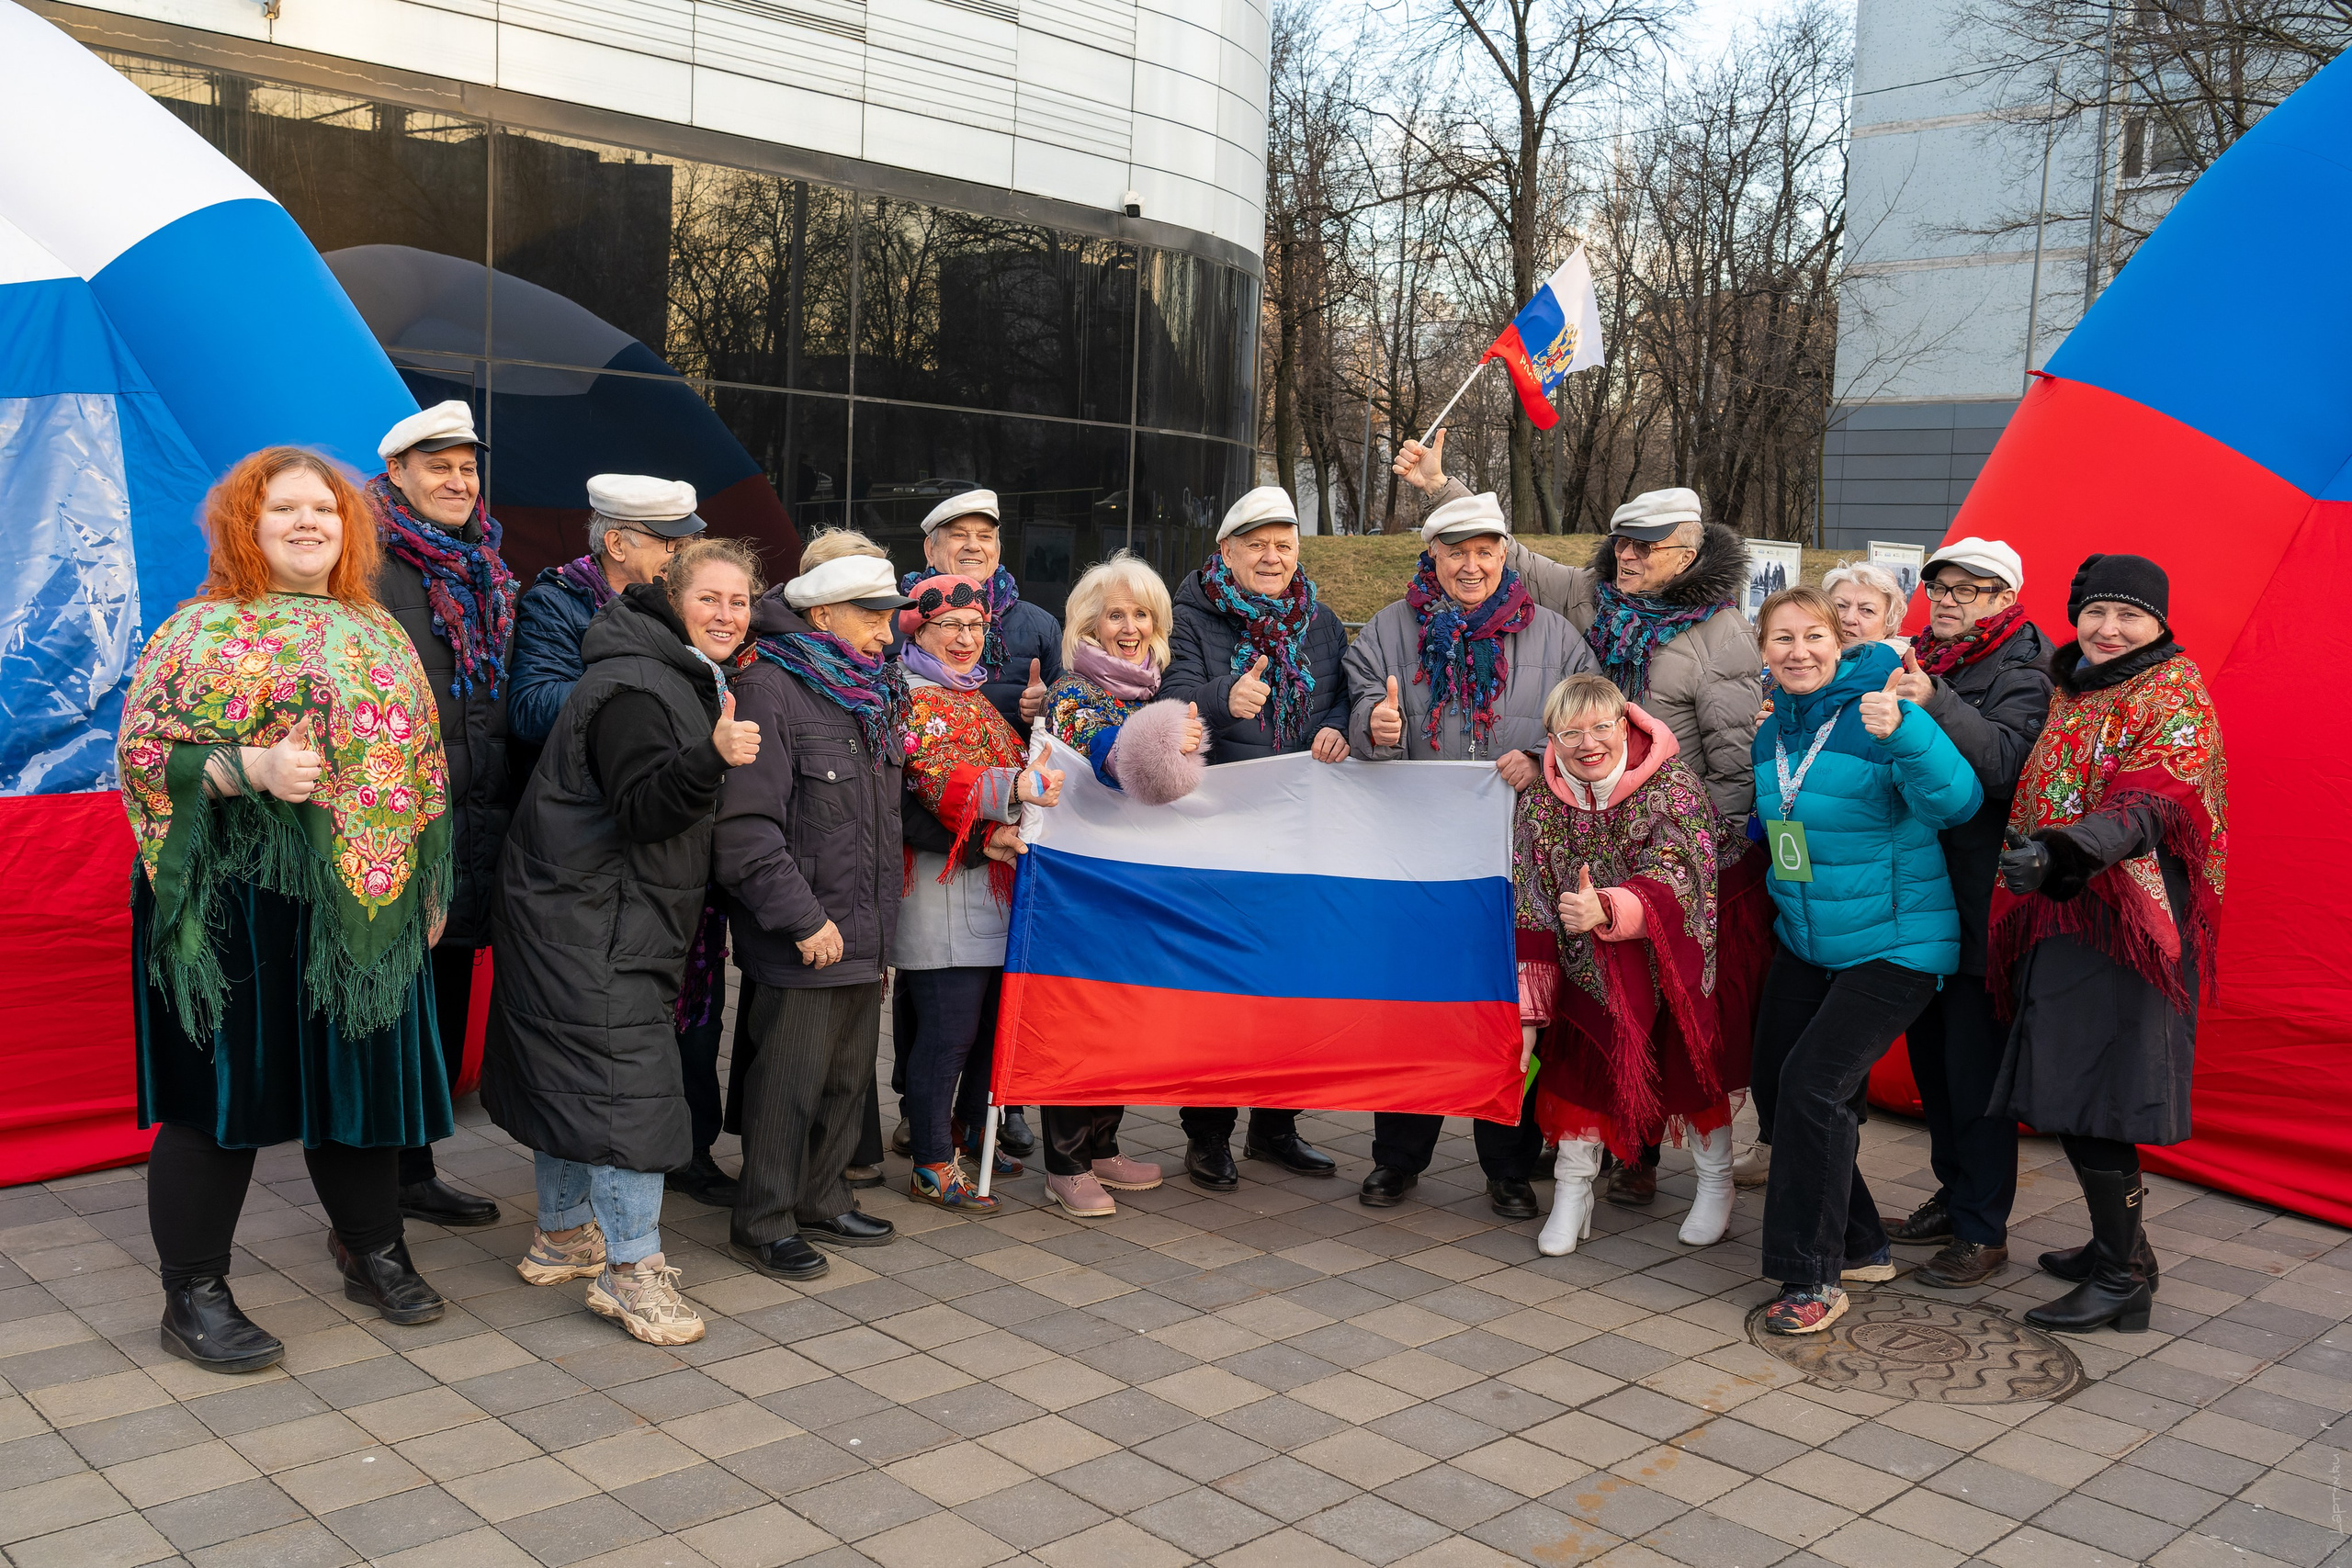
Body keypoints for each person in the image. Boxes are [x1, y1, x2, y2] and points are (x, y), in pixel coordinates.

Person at [119, 447, 453, 1374]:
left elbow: (422, 764)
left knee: (359, 1078)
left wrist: (423, 886)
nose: (309, 522)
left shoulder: (376, 629)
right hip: (233, 900)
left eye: (325, 508)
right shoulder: (198, 630)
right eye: (284, 508)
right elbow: (141, 757)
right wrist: (249, 768)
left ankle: (372, 1248)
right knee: (218, 1096)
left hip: (360, 899)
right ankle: (193, 1293)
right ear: (246, 526)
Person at [1394, 436, 1763, 1208]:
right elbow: (1513, 558)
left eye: (1646, 546)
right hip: (1587, 835)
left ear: (1689, 551)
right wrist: (1440, 485)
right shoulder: (1596, 596)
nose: (1627, 556)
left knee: (1661, 1003)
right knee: (1598, 997)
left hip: (1667, 843)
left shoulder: (1722, 633)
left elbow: (1733, 759)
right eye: (1622, 542)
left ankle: (1646, 1154)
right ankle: (1598, 1134)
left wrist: (1711, 858)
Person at [483, 537, 763, 1345]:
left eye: (740, 600)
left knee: (576, 1074)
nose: (726, 614)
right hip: (592, 920)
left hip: (582, 911)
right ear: (670, 597)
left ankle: (564, 1234)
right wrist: (710, 758)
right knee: (627, 1087)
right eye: (709, 598)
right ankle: (631, 1270)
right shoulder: (639, 686)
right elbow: (644, 806)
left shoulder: (665, 670)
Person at [1344, 488, 1598, 1220]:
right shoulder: (1389, 629)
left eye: (1486, 551)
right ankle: (1398, 1157)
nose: (1472, 565)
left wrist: (1541, 753)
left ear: (1504, 555)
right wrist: (1375, 726)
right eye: (1456, 552)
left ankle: (1509, 1166)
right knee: (1417, 1008)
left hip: (1520, 866)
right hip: (1421, 864)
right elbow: (1357, 705)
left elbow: (1590, 723)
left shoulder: (1554, 636)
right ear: (1433, 555)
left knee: (1514, 1011)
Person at [1991, 554, 2224, 1335]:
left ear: (2159, 621)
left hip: (2127, 925)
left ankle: (2122, 1280)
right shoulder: (2076, 687)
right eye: (2096, 611)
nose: (2110, 628)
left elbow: (2147, 805)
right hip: (2068, 915)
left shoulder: (2173, 693)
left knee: (2100, 1093)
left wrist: (2061, 851)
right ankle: (2122, 1250)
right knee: (2075, 1085)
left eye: (2129, 614)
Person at [1746, 587, 1981, 1334]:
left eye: (1813, 635)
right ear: (1763, 651)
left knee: (1814, 1085)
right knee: (1775, 1086)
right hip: (1809, 939)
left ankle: (1811, 1275)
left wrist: (1909, 732)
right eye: (1782, 638)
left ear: (1837, 642)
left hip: (1896, 942)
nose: (1799, 652)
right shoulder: (1771, 729)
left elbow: (1957, 803)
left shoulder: (1882, 709)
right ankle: (1861, 1243)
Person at [505, 477, 738, 1209]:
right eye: (672, 544)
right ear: (617, 543)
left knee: (679, 1018)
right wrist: (631, 695)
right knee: (609, 1053)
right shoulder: (564, 606)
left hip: (666, 861)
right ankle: (616, 1243)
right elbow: (530, 706)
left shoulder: (687, 623)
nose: (685, 556)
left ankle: (682, 1153)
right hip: (593, 864)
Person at [716, 553, 913, 1281]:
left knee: (845, 1079)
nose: (887, 634)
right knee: (788, 1085)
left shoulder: (867, 688)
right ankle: (763, 1220)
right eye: (873, 617)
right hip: (805, 934)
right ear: (823, 615)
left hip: (862, 930)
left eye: (890, 618)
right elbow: (746, 832)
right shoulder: (769, 685)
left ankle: (822, 1198)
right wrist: (802, 920)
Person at [1873, 538, 2053, 1288]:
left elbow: (2007, 764)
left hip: (1983, 900)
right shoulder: (1920, 656)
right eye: (1940, 586)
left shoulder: (2026, 669)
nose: (1947, 599)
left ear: (2005, 598)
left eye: (1968, 590)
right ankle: (1953, 1195)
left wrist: (1936, 702)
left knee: (1973, 1070)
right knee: (1933, 1064)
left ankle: (1984, 1228)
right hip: (1922, 893)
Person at [1163, 485, 1350, 1191]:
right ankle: (1208, 1134)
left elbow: (1344, 693)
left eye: (1283, 544)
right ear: (1227, 551)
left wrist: (1342, 724)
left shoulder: (1321, 621)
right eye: (1257, 544)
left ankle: (1276, 1125)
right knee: (1221, 989)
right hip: (1221, 835)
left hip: (1301, 833)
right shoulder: (1189, 615)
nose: (1272, 557)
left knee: (1292, 985)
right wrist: (1223, 697)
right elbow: (1170, 697)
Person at [1516, 676, 1732, 1255]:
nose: (1588, 743)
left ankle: (1716, 1183)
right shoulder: (1538, 803)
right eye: (1571, 733)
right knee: (1579, 1071)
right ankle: (1572, 1193)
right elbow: (1530, 901)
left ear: (1624, 724)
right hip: (1586, 969)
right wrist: (1529, 1016)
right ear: (1551, 740)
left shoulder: (1673, 785)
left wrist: (1610, 906)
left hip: (1674, 960)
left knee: (1690, 1069)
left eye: (1600, 728)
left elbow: (1683, 874)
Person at [367, 400, 516, 1230]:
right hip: (397, 836)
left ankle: (414, 1171)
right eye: (439, 467)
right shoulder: (365, 563)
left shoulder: (484, 566)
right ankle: (371, 1193)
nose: (459, 481)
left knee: (442, 1014)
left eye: (467, 467)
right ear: (397, 473)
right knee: (390, 1020)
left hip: (470, 828)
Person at [888, 488, 1058, 1159]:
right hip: (941, 897)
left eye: (975, 627)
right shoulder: (913, 693)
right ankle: (932, 1158)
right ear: (918, 631)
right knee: (946, 1037)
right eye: (949, 627)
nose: (964, 639)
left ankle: (960, 1143)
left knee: (979, 1034)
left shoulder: (973, 693)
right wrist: (1015, 787)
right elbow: (938, 777)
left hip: (986, 892)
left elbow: (1011, 760)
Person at [1037, 552, 1204, 1215]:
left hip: (1132, 884)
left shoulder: (1151, 694)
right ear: (1089, 625)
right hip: (1082, 890)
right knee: (1080, 1020)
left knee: (1121, 1016)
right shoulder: (1071, 693)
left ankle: (1103, 1144)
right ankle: (1065, 1161)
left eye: (1141, 614)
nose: (1129, 627)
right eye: (1115, 615)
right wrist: (1168, 739)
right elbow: (1116, 758)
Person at [1821, 562, 1910, 651]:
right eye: (1840, 606)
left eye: (1867, 610)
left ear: (1888, 625)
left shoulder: (1900, 659)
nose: (1849, 619)